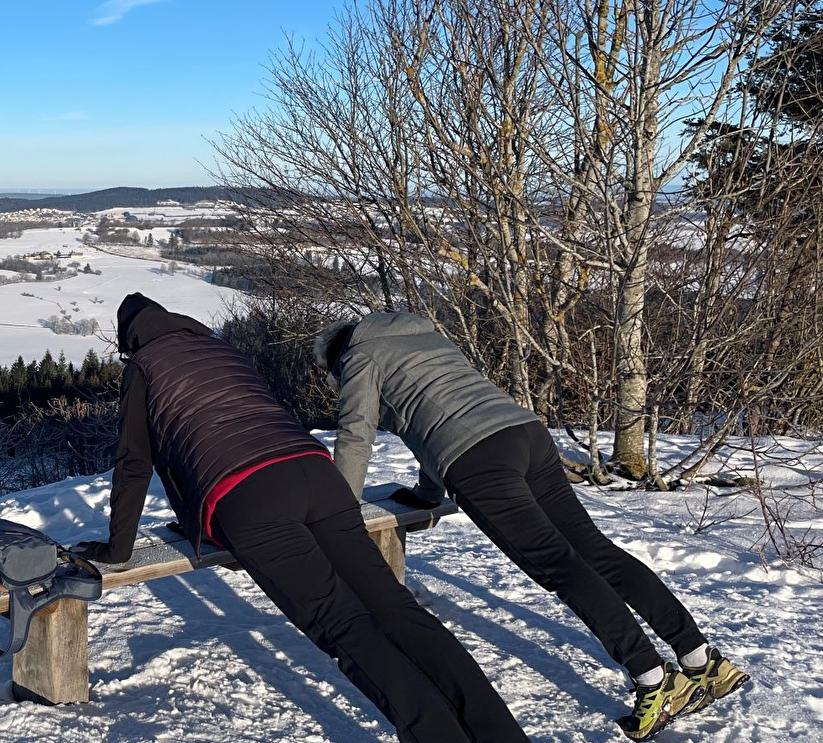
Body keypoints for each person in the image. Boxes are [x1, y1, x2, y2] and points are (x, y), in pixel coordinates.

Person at [72, 293, 528, 743]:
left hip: (247, 496)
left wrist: (119, 548)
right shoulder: (223, 349)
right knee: (397, 609)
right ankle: (501, 733)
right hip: (314, 471)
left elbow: (134, 463)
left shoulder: (144, 365)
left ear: (129, 340)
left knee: (345, 626)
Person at [316, 312, 750, 741]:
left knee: (561, 567)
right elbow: (434, 424)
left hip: (478, 464)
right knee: (595, 551)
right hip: (524, 433)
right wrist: (427, 494)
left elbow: (357, 431)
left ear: (336, 359)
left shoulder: (359, 357)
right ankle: (702, 660)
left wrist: (339, 509)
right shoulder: (425, 338)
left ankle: (655, 681)